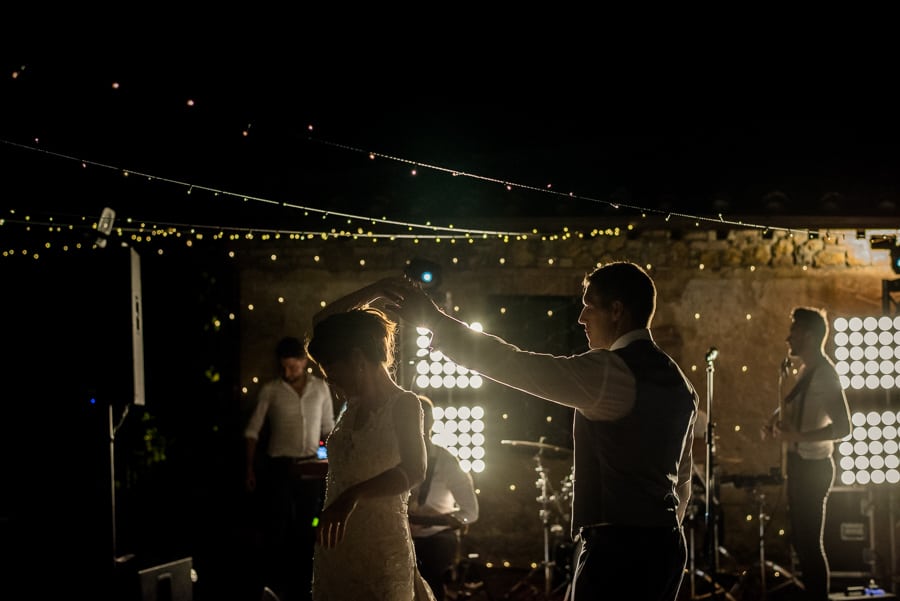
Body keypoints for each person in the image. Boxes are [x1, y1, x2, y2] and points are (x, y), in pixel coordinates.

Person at [384, 260, 699, 601]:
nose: (581, 318)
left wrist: (435, 321)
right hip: (667, 546)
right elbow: (681, 482)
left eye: (588, 305)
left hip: (619, 551)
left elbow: (514, 364)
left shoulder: (609, 372)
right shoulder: (681, 384)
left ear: (617, 311)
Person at [306, 283, 437, 601]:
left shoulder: (405, 404)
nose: (333, 386)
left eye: (333, 374)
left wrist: (351, 497)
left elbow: (415, 469)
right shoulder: (352, 408)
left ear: (357, 358)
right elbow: (323, 320)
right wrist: (379, 289)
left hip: (382, 548)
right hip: (336, 547)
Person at [761, 306, 851, 600]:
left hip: (814, 466)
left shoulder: (825, 375)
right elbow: (798, 405)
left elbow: (843, 427)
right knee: (801, 542)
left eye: (794, 331)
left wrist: (797, 436)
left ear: (810, 337)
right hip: (800, 464)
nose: (788, 338)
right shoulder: (805, 371)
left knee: (810, 544)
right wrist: (775, 417)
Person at [244, 336, 336, 601]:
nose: (287, 373)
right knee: (277, 526)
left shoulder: (320, 389)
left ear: (304, 362)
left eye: (293, 367)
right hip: (278, 467)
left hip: (309, 467)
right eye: (283, 367)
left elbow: (329, 429)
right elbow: (252, 430)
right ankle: (276, 585)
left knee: (307, 526)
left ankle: (304, 584)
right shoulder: (271, 390)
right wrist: (249, 468)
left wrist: (333, 463)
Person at [409, 395, 480, 601]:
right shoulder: (392, 457)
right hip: (401, 531)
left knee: (428, 571)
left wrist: (442, 520)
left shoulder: (448, 462)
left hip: (436, 536)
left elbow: (471, 512)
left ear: (430, 423)